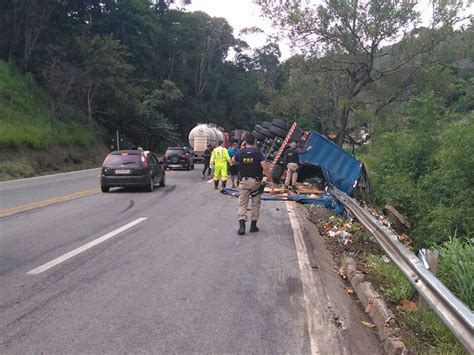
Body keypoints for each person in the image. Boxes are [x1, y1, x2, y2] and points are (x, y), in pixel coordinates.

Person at [232, 134, 273, 235]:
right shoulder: (259, 154)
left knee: (242, 204)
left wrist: (241, 148)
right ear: (255, 142)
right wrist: (270, 180)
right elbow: (265, 167)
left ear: (245, 142)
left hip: (243, 182)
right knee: (255, 203)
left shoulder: (240, 152)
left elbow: (232, 161)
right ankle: (253, 226)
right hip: (255, 182)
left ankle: (242, 226)